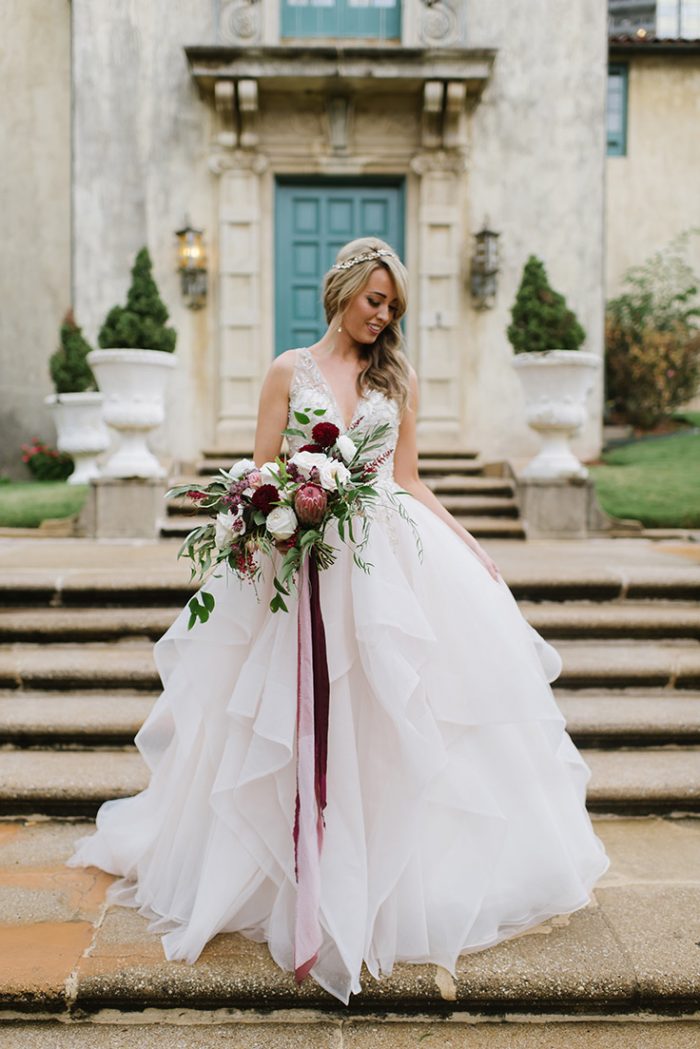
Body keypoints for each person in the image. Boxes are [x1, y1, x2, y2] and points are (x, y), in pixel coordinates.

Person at [65, 236, 610, 1005]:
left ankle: (388, 879)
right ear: (345, 291)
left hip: (393, 561)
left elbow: (411, 480)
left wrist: (471, 544)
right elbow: (257, 468)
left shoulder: (400, 377)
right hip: (305, 560)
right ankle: (288, 873)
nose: (381, 317)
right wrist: (266, 513)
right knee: (290, 718)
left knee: (396, 711)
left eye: (393, 307)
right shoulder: (291, 369)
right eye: (373, 300)